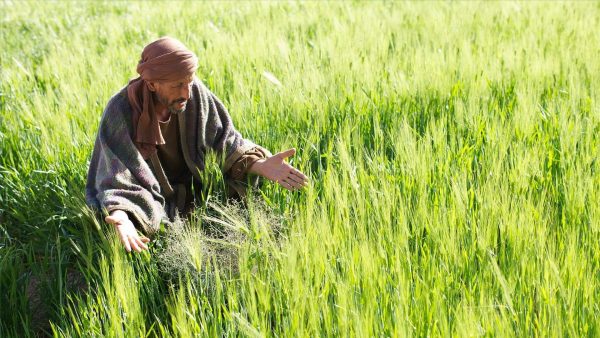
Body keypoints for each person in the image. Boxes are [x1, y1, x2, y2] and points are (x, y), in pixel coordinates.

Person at [86, 37, 308, 253]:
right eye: (177, 85)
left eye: (189, 82)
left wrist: (260, 165)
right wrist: (122, 217)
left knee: (240, 191)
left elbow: (226, 141)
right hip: (150, 193)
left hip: (196, 186)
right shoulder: (120, 110)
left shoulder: (194, 94)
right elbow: (116, 175)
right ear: (152, 84)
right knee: (141, 222)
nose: (186, 92)